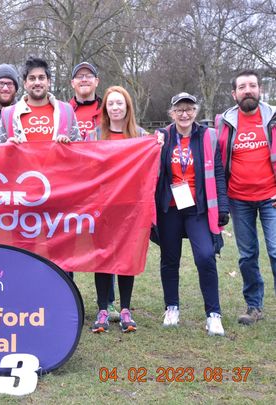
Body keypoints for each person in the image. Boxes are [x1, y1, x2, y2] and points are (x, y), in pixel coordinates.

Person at [155, 92, 229, 336]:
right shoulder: (163, 136)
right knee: (169, 259)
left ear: (196, 111)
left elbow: (218, 173)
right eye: (179, 110)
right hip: (170, 208)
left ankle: (213, 315)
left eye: (189, 109)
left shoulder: (207, 136)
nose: (184, 114)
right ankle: (172, 307)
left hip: (198, 208)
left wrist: (223, 207)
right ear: (171, 113)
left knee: (206, 256)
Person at [215, 70, 276, 325]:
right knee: (247, 255)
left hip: (271, 197)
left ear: (259, 89)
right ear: (234, 93)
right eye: (242, 87)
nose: (248, 90)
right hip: (239, 199)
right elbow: (214, 157)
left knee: (275, 250)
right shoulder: (225, 121)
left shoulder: (272, 117)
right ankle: (254, 307)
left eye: (252, 85)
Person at [90, 86, 147, 334]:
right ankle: (103, 309)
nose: (115, 108)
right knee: (102, 257)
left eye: (119, 103)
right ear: (105, 109)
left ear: (127, 107)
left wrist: (159, 143)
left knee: (126, 257)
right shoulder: (95, 136)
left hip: (131, 208)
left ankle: (125, 309)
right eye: (111, 104)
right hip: (102, 208)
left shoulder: (140, 135)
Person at [0, 56, 81, 143]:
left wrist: (68, 145)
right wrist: (7, 147)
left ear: (48, 82)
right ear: (25, 84)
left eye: (41, 78)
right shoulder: (8, 114)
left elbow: (79, 150)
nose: (37, 83)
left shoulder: (67, 111)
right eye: (32, 78)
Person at [69, 61, 103, 140]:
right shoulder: (62, 112)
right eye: (79, 76)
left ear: (96, 82)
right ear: (73, 83)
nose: (84, 79)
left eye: (89, 76)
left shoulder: (107, 111)